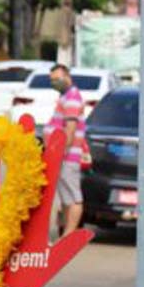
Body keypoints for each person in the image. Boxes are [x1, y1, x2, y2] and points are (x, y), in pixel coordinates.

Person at [42, 63, 86, 237]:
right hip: (62, 156)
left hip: (68, 156)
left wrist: (62, 151)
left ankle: (69, 234)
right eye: (52, 80)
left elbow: (70, 127)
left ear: (67, 77)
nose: (55, 82)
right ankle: (66, 231)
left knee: (73, 196)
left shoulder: (72, 98)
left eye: (58, 79)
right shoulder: (65, 97)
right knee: (66, 197)